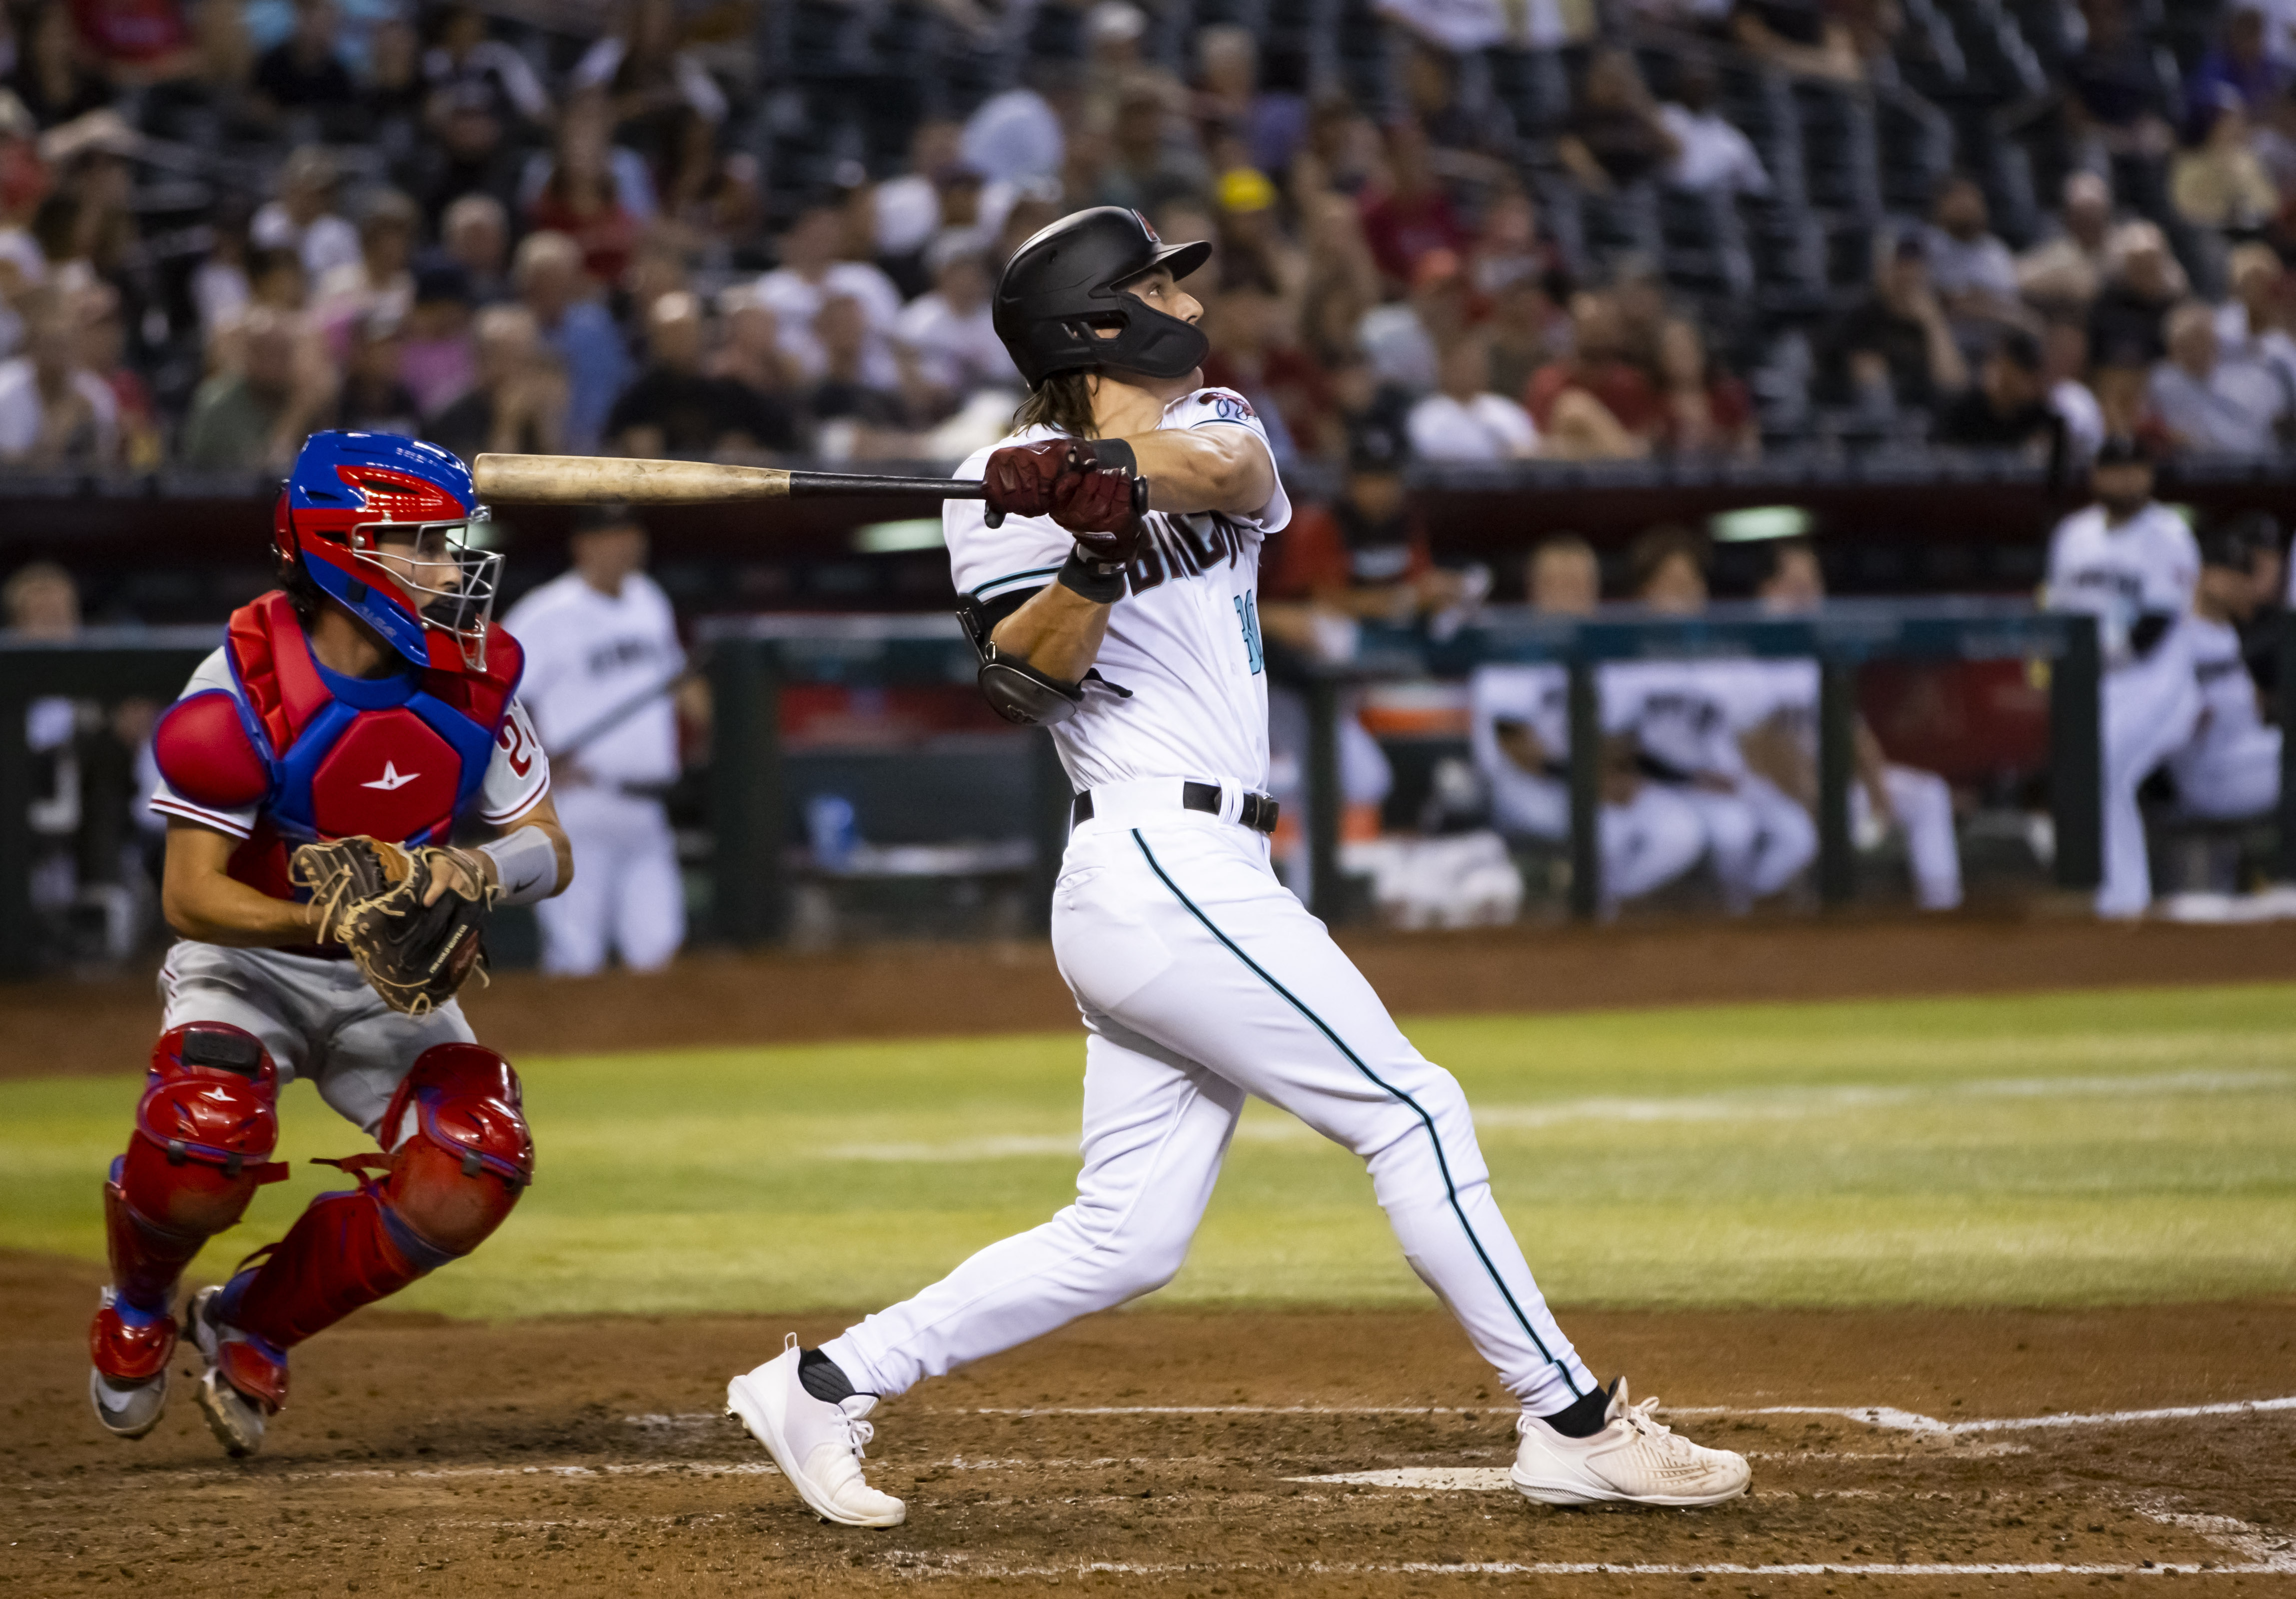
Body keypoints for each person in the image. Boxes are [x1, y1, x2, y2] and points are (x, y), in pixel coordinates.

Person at [721, 206, 1751, 1527]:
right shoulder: (995, 488)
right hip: (1150, 852)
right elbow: (1021, 684)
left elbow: (1225, 474)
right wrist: (1087, 554)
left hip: (1189, 869)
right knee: (1413, 1108)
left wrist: (1108, 475)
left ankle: (821, 1380)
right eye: (1158, 282)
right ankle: (1571, 1419)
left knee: (1125, 1234)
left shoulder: (1216, 416)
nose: (1189, 302)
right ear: (1095, 318)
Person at [86, 432, 571, 1456]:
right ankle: (135, 1302)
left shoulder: (475, 672)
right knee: (201, 1135)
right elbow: (192, 901)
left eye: (451, 543)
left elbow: (549, 848)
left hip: (384, 986)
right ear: (344, 551)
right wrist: (335, 919)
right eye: (424, 547)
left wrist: (476, 872)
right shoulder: (239, 688)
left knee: (475, 1162)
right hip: (250, 963)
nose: (453, 569)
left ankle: (250, 1321)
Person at [1469, 536, 1707, 911]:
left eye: (1579, 583)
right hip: (1528, 784)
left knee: (1681, 833)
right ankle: (1587, 922)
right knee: (1607, 834)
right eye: (1559, 583)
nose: (1570, 594)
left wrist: (1618, 773)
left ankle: (1611, 912)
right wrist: (1588, 781)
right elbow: (1517, 747)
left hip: (1593, 779)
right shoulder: (1509, 648)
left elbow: (1623, 735)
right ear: (1535, 589)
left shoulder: (1611, 649)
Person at [501, 503, 687, 977]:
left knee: (659, 951)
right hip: (579, 805)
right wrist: (538, 765)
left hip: (646, 806)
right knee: (575, 958)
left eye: (631, 531)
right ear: (583, 545)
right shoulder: (547, 612)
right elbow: (499, 700)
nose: (626, 543)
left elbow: (678, 684)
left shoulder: (649, 598)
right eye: (612, 534)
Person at [1608, 525, 1818, 914]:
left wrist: (1798, 786)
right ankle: (1610, 912)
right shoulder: (1624, 657)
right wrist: (1687, 779)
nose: (1685, 592)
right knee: (1712, 834)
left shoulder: (1724, 651)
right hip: (1657, 784)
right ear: (1646, 592)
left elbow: (1759, 732)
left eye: (1691, 581)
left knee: (1796, 835)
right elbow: (1614, 745)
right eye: (1672, 582)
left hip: (1720, 782)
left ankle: (1738, 918)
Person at [1748, 539, 1964, 910]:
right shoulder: (1752, 654)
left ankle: (1942, 907)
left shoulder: (1821, 651)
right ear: (1767, 590)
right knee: (1795, 842)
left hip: (1829, 786)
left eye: (1813, 585)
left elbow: (1853, 731)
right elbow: (1758, 746)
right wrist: (1812, 795)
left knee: (1928, 796)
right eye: (1796, 586)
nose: (1808, 595)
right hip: (1770, 788)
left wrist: (1876, 784)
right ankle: (1743, 915)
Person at [2043, 438, 2202, 917]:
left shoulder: (2169, 534)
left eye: (2135, 468)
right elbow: (2056, 614)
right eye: (2114, 469)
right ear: (2095, 474)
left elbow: (2152, 630)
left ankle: (2124, 902)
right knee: (2089, 773)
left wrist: (2087, 659)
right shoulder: (2073, 534)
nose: (2125, 478)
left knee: (2105, 764)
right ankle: (2103, 892)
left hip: (2159, 686)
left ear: (2149, 476)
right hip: (2092, 687)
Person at [2165, 516, 2282, 826]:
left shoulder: (2225, 631)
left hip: (2247, 756)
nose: (2247, 585)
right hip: (2211, 777)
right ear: (2205, 575)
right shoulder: (2179, 633)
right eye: (2236, 574)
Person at [606, 290, 796, 456]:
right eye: (670, 334)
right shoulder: (640, 395)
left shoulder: (727, 387)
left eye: (684, 333)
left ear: (701, 334)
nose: (678, 342)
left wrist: (749, 448)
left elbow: (785, 439)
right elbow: (609, 442)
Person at [2147, 299, 2288, 456]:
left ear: (2214, 340)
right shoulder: (2162, 382)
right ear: (2172, 347)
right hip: (2188, 470)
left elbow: (2260, 441)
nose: (2194, 349)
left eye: (2199, 339)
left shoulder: (2251, 380)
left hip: (2250, 469)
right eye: (2184, 344)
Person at [1407, 336, 1540, 460]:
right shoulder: (1428, 415)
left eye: (1475, 363)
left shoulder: (1505, 408)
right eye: (1461, 365)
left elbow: (1532, 448)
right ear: (1445, 368)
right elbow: (1433, 453)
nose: (1469, 371)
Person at [1937, 328, 2063, 456]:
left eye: (2036, 372)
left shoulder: (2041, 417)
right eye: (2024, 370)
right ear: (2004, 365)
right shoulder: (1963, 412)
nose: (2032, 380)